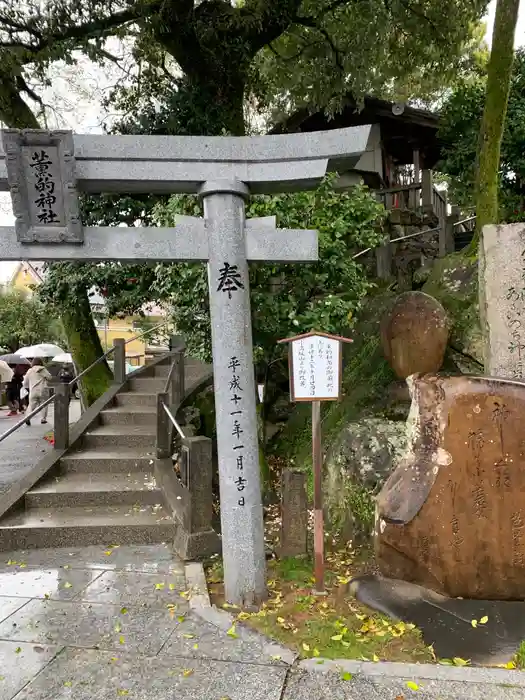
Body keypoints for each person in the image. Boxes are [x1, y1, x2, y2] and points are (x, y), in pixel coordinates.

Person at [23, 358, 52, 426]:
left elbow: (25, 382)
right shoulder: (43, 369)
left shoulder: (30, 371)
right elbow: (50, 377)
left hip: (33, 390)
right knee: (44, 404)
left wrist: (27, 387)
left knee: (31, 405)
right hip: (43, 389)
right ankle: (43, 419)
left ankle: (28, 417)